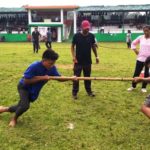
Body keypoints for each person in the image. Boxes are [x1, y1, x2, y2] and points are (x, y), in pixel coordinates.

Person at [0, 49, 73, 127]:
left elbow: (59, 78)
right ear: (44, 60)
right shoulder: (34, 66)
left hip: (34, 90)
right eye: (50, 63)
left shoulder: (52, 68)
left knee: (21, 105)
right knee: (25, 106)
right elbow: (26, 81)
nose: (52, 65)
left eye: (54, 63)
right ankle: (14, 119)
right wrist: (42, 78)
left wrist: (70, 78)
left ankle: (3, 109)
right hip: (24, 87)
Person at [71, 20, 99, 100]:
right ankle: (74, 93)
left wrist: (97, 57)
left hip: (87, 61)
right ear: (82, 28)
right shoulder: (76, 36)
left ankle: (89, 91)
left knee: (87, 77)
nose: (87, 29)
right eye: (86, 28)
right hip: (78, 61)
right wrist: (73, 57)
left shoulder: (91, 36)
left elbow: (93, 47)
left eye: (88, 28)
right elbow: (72, 46)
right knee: (76, 78)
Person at [127, 25, 150, 93]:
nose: (145, 32)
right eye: (144, 31)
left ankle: (143, 87)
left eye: (147, 31)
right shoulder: (140, 37)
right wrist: (136, 51)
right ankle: (133, 86)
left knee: (146, 74)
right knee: (136, 73)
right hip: (140, 59)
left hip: (148, 61)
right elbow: (133, 44)